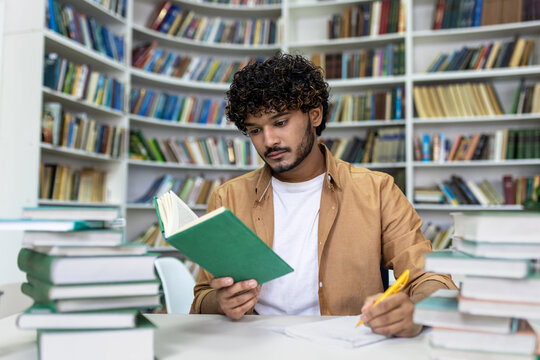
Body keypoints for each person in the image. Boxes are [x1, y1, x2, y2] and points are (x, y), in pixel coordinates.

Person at [189, 53, 456, 337]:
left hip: (347, 346)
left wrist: (415, 309)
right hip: (254, 345)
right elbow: (201, 298)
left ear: (314, 114)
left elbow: (431, 278)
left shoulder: (376, 190)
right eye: (256, 130)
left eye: (280, 122)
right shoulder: (227, 198)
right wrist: (221, 302)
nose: (269, 141)